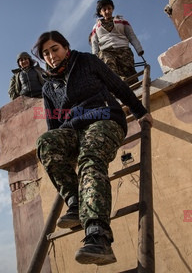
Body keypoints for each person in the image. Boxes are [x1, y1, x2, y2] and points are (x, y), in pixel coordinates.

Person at [33, 31, 152, 265]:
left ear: (65, 47)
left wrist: (140, 112)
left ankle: (99, 236)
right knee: (46, 141)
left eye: (54, 49)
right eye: (45, 53)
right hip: (73, 130)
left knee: (90, 160)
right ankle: (75, 203)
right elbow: (54, 125)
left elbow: (117, 85)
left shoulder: (86, 61)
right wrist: (60, 149)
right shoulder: (48, 88)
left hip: (104, 119)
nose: (51, 56)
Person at [90, 0, 144, 82]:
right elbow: (94, 43)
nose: (107, 11)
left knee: (130, 74)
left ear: (112, 9)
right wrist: (95, 58)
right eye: (104, 10)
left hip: (123, 50)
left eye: (109, 8)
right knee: (109, 67)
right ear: (100, 12)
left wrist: (139, 49)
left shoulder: (122, 21)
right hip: (106, 50)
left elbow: (131, 36)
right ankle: (118, 83)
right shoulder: (96, 27)